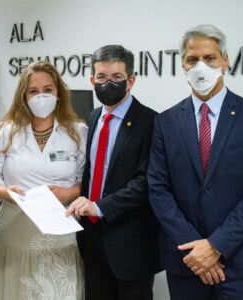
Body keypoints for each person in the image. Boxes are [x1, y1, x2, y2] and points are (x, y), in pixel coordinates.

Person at [148, 24, 243, 300]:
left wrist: (215, 246)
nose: (201, 67)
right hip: (186, 262)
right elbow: (158, 189)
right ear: (182, 64)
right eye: (192, 60)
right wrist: (197, 251)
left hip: (240, 262)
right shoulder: (165, 122)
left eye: (209, 58)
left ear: (225, 61)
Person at [0, 61, 87, 300]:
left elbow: (86, 182)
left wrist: (67, 194)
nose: (41, 96)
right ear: (23, 96)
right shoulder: (3, 132)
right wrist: (5, 192)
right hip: (15, 230)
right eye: (33, 91)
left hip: (60, 232)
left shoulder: (78, 132)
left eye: (48, 90)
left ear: (58, 93)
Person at [66, 45, 160, 300]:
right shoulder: (94, 117)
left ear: (131, 81)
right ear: (92, 81)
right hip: (92, 236)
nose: (109, 84)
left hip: (131, 242)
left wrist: (99, 206)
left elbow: (146, 183)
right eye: (102, 78)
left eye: (117, 77)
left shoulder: (152, 122)